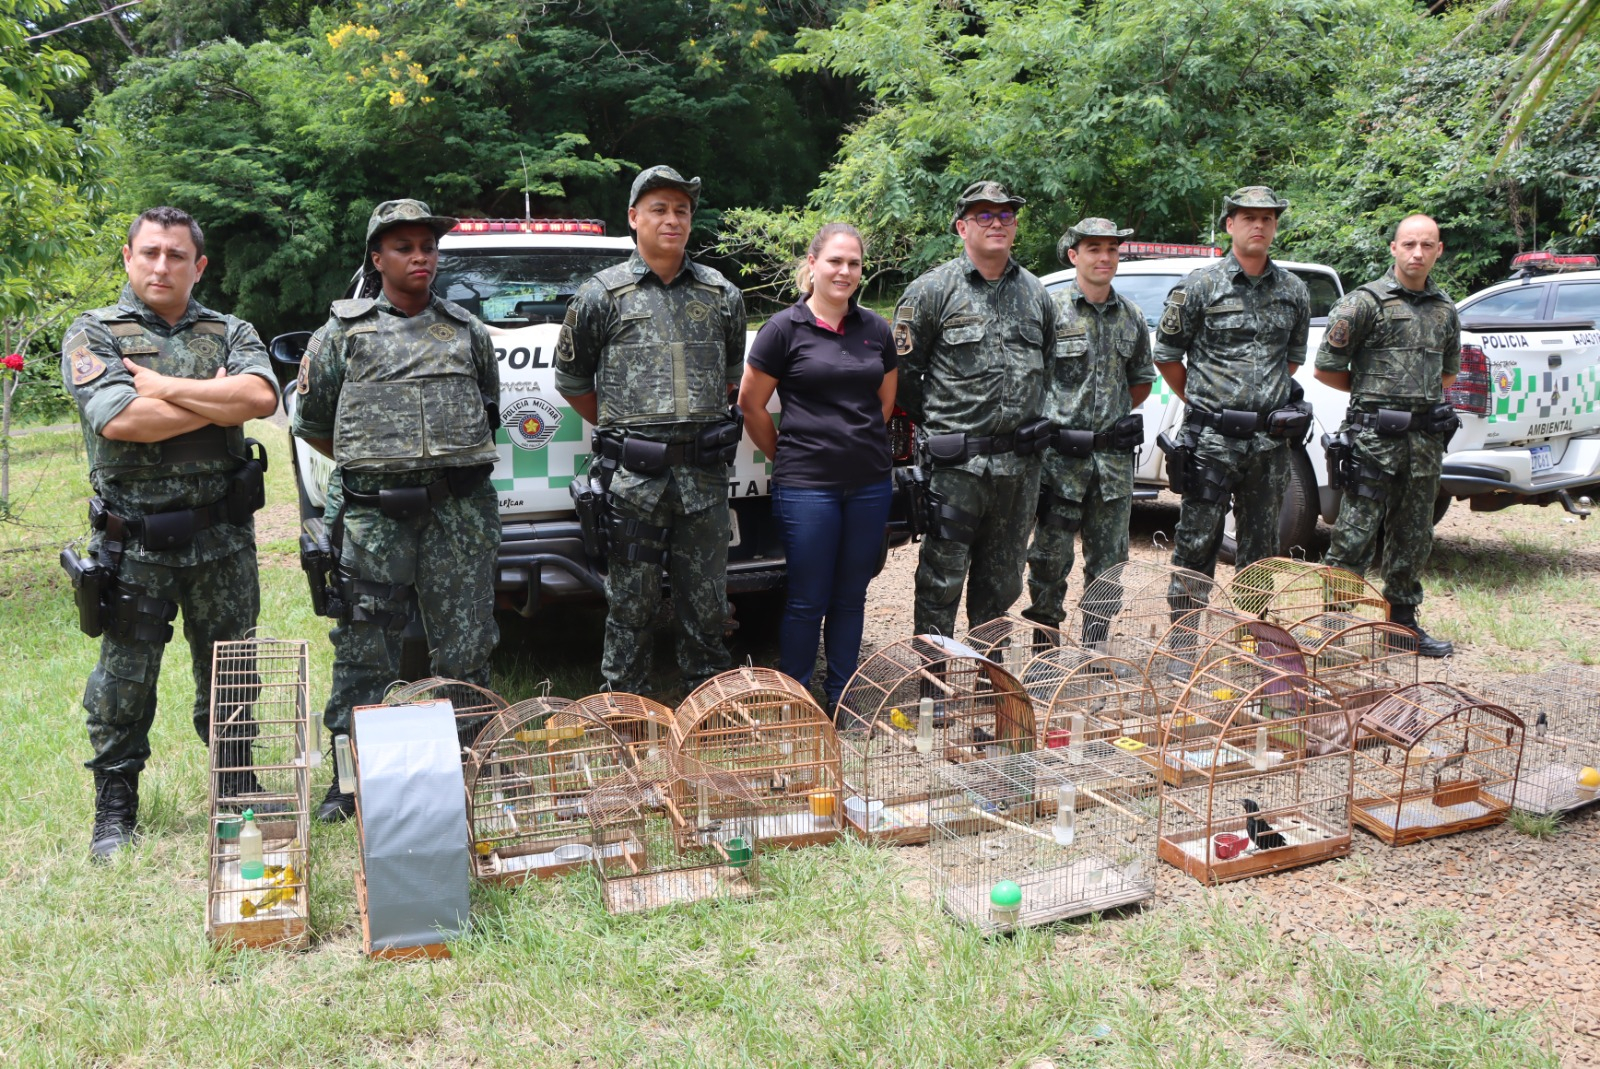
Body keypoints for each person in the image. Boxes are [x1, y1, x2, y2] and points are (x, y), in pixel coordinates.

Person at [61, 206, 279, 859]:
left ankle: (237, 786)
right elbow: (121, 420)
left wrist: (160, 386)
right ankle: (116, 804)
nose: (162, 265)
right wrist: (209, 398)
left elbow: (261, 400)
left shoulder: (230, 329)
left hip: (223, 540)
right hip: (137, 543)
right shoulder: (93, 333)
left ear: (198, 265)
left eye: (176, 254)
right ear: (127, 256)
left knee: (234, 671)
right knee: (125, 678)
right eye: (150, 252)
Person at [292, 199, 501, 821]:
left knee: (466, 647)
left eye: (428, 247)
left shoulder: (467, 331)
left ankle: (472, 763)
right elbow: (316, 424)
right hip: (374, 519)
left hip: (457, 516)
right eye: (404, 247)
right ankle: (349, 781)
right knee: (364, 650)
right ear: (377, 258)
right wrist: (381, 469)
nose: (420, 257)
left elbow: (486, 412)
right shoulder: (341, 334)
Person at [556, 166, 747, 696]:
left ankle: (709, 708)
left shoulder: (721, 295)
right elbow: (572, 382)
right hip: (632, 482)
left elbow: (731, 379)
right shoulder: (601, 296)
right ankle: (624, 709)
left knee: (707, 601)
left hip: (703, 480)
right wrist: (623, 434)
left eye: (682, 210)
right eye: (659, 209)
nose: (672, 219)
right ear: (634, 218)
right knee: (630, 602)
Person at [738, 223, 897, 711]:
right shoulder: (783, 329)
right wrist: (787, 454)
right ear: (812, 263)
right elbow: (751, 405)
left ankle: (844, 698)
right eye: (834, 261)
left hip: (869, 485)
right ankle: (801, 703)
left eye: (853, 263)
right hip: (807, 488)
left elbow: (885, 404)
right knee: (808, 599)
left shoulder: (876, 329)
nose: (844, 271)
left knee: (851, 596)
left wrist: (854, 444)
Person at [893, 181, 1056, 637]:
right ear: (962, 227)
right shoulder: (930, 291)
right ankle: (934, 688)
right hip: (957, 465)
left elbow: (1048, 366)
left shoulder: (1035, 293)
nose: (997, 223)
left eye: (1005, 215)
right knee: (941, 579)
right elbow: (903, 375)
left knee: (1002, 584)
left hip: (1019, 466)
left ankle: (992, 679)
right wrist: (940, 424)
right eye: (984, 215)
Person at [1314, 214, 1460, 657]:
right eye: (1409, 244)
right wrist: (1375, 403)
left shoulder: (1444, 309)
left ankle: (1402, 627)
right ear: (1394, 249)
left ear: (1438, 251)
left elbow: (1447, 374)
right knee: (1354, 535)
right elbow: (1326, 367)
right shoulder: (1364, 304)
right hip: (1374, 441)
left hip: (1424, 444)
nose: (1418, 253)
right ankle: (1330, 627)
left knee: (1414, 536)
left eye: (1427, 245)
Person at [1153, 186, 1311, 589]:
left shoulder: (1293, 290)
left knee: (1261, 548)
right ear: (1230, 225)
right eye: (1248, 218)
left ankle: (1250, 639)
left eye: (1267, 219)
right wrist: (1206, 401)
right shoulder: (1200, 286)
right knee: (1197, 541)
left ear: (1275, 227)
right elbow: (1167, 356)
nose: (1258, 225)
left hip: (1269, 442)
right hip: (1212, 439)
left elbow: (1290, 360)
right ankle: (1185, 643)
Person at [1022, 218, 1156, 646]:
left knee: (1109, 560)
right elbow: (1031, 377)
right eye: (1094, 248)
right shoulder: (1050, 310)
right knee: (1049, 556)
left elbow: (1140, 380)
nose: (1105, 257)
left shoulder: (1132, 317)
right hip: (1060, 462)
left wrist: (1105, 427)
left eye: (1112, 249)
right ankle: (1045, 645)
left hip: (1112, 464)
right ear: (1073, 255)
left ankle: (1096, 646)